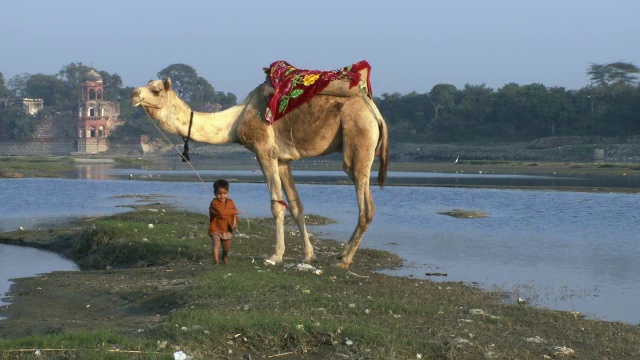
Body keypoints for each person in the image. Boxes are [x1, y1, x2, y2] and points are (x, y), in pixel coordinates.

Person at [208, 179, 239, 265]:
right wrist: (234, 212)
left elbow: (234, 216)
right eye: (219, 194)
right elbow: (222, 214)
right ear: (215, 193)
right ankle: (216, 262)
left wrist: (235, 223)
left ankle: (224, 257)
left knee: (227, 249)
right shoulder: (214, 203)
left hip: (226, 229)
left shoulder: (230, 202)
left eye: (224, 193)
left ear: (228, 192)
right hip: (215, 229)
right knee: (216, 244)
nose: (222, 196)